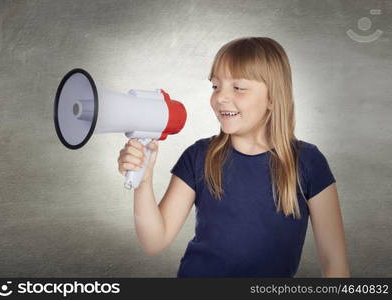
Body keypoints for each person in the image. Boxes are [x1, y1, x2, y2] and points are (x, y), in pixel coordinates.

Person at [117, 37, 350, 278]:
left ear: (272, 98)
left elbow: (335, 264)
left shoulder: (308, 162)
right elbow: (154, 241)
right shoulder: (199, 156)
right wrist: (143, 183)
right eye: (216, 86)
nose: (220, 97)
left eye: (238, 87)